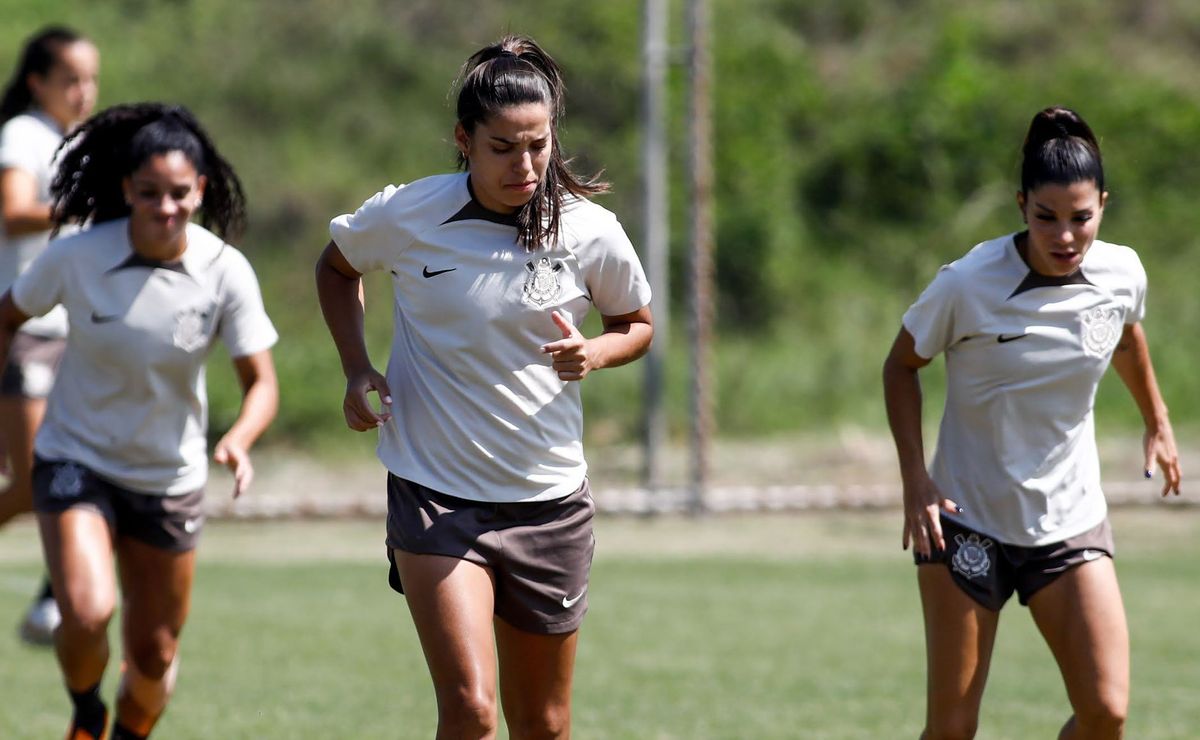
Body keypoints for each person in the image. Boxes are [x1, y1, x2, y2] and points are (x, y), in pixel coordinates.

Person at [316, 34, 653, 739]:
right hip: (434, 493)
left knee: (545, 723)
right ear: (463, 140)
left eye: (537, 144)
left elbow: (637, 323)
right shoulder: (409, 214)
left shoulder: (590, 230)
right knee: (471, 710)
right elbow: (337, 268)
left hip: (548, 503)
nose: (525, 165)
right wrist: (356, 367)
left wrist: (595, 353)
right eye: (503, 147)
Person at [883, 106, 1182, 740]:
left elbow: (1124, 335)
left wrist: (1157, 419)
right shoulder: (967, 283)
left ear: (1103, 204)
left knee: (1107, 711)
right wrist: (916, 482)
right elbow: (901, 366)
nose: (1065, 236)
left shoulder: (1122, 272)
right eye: (1046, 218)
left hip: (1068, 520)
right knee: (953, 728)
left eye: (1082, 218)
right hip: (967, 520)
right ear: (1021, 206)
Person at [0, 102, 279, 740]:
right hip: (77, 459)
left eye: (180, 194)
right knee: (87, 612)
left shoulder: (224, 271)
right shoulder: (76, 256)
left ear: (201, 189)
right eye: (149, 193)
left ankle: (122, 731)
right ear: (127, 189)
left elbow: (261, 383)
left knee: (154, 655)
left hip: (169, 475)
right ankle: (85, 712)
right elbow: (7, 315)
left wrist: (239, 437)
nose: (165, 208)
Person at [0, 25, 99, 646]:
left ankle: (52, 599)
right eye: (71, 79)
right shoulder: (22, 134)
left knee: (73, 471)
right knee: (38, 479)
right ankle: (54, 596)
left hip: (74, 330)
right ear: (38, 82)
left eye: (91, 79)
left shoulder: (75, 140)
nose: (84, 91)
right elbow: (13, 213)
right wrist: (87, 202)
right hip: (26, 328)